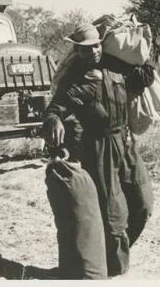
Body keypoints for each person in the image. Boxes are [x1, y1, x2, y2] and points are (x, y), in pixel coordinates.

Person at [43, 23, 154, 278]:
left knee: (143, 203)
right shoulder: (76, 78)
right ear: (77, 50)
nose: (92, 51)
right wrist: (54, 120)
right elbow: (56, 106)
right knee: (113, 215)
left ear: (101, 44)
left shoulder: (118, 67)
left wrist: (143, 49)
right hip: (99, 146)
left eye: (95, 45)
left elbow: (144, 77)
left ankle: (112, 254)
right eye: (85, 48)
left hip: (125, 142)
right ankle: (112, 269)